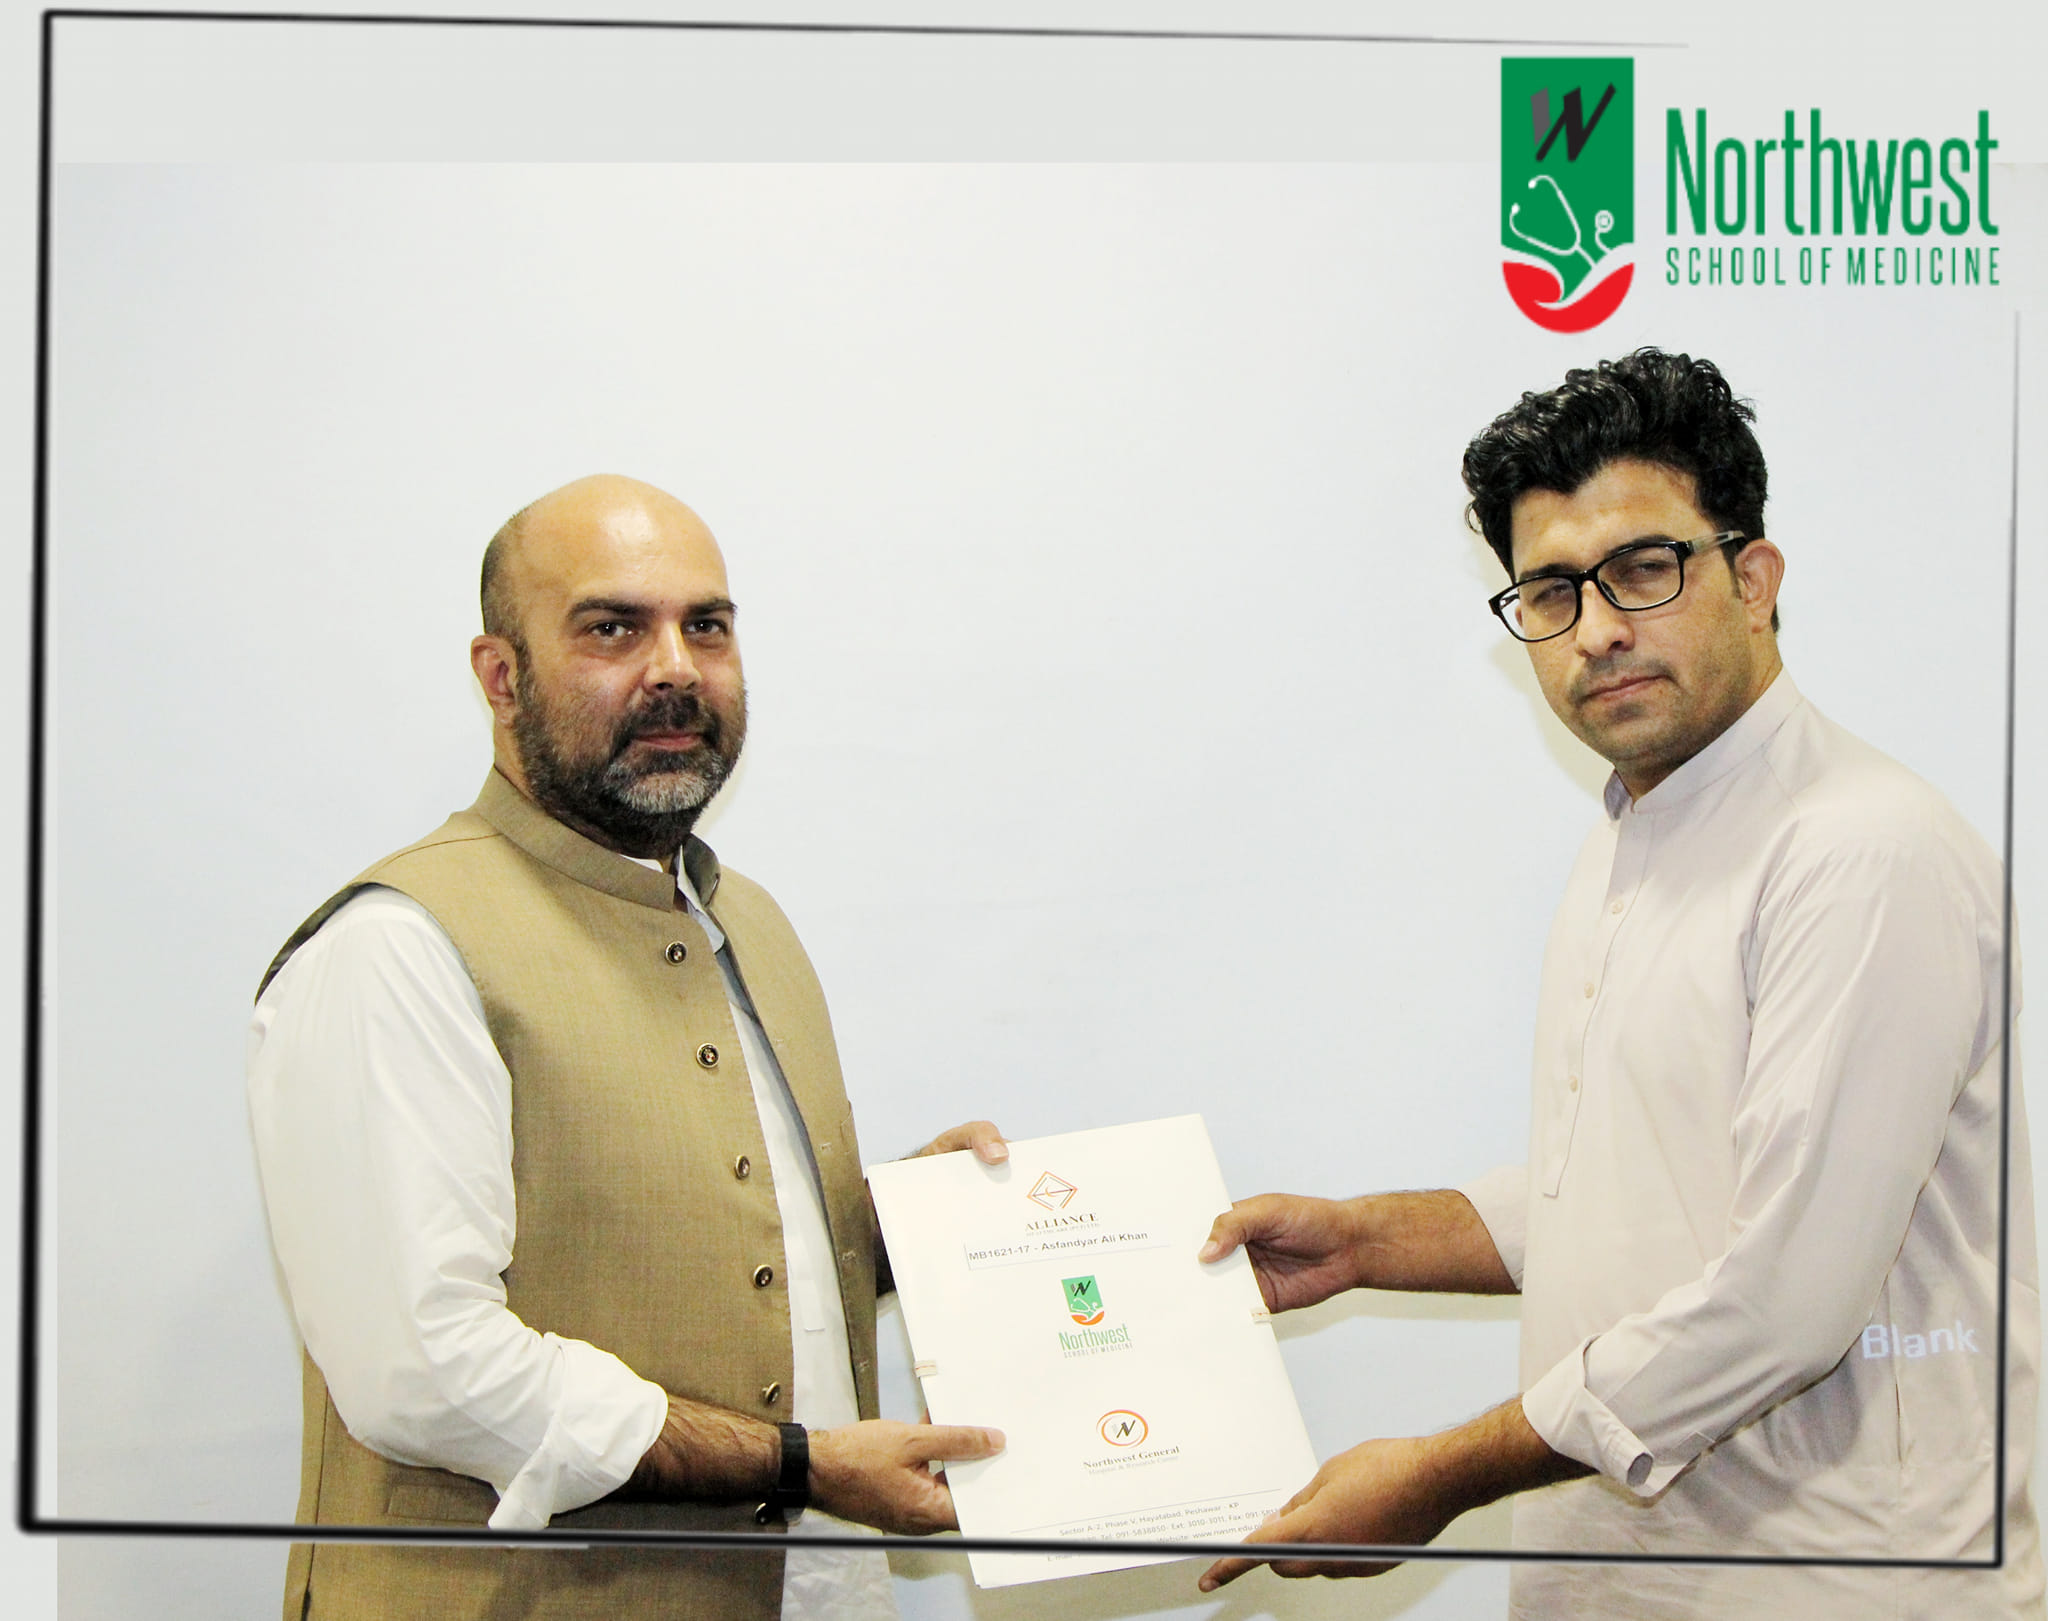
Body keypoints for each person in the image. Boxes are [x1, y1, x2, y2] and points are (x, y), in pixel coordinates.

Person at [1196, 350, 2043, 1617]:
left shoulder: (1859, 850)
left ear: (1751, 580)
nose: (1595, 629)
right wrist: (1365, 1241)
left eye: (1643, 568)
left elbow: (1780, 1303)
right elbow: (1634, 1189)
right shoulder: (1632, 831)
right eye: (1549, 590)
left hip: (1830, 1587)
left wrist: (1433, 1475)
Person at [248, 474, 1005, 1621]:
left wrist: (894, 1233)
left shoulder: (746, 921)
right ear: (499, 676)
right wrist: (798, 1466)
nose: (674, 668)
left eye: (707, 625)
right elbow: (427, 1371)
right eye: (612, 628)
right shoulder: (396, 948)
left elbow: (702, 1253)